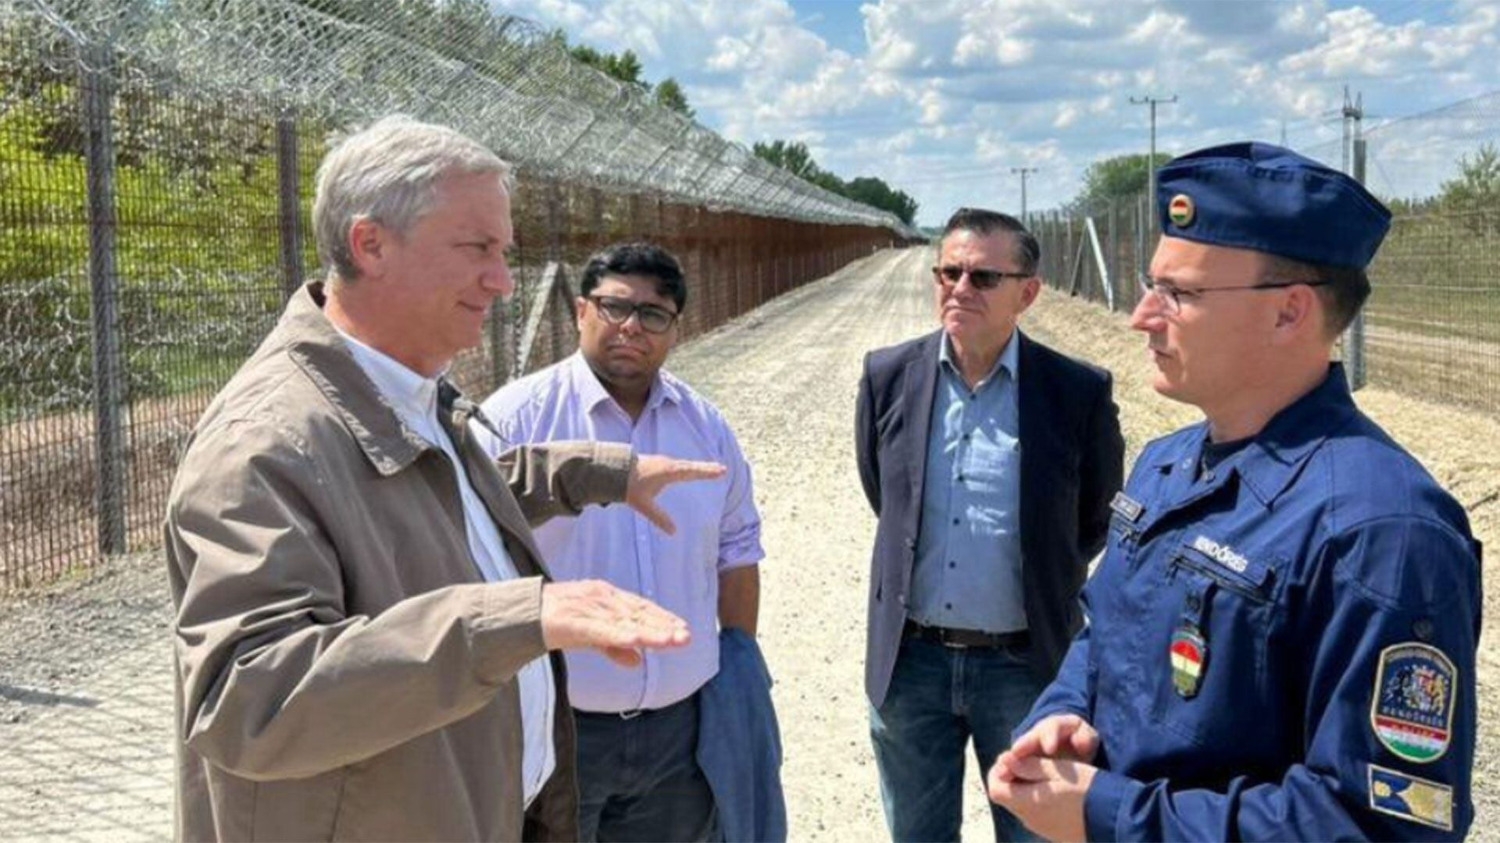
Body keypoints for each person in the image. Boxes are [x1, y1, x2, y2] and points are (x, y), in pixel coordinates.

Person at [163, 115, 725, 842]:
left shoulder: (400, 391)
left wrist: (600, 473)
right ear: (371, 245)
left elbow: (438, 496)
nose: (501, 280)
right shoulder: (266, 442)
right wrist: (517, 620)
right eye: (477, 248)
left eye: (504, 251)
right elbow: (249, 696)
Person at [989, 142, 1482, 841]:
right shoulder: (1167, 464)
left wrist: (1109, 813)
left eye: (1179, 293)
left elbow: (1378, 826)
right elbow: (1107, 635)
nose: (1141, 316)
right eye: (1150, 283)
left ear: (1288, 312)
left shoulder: (1383, 531)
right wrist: (1067, 714)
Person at [476, 242, 766, 842]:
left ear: (674, 329)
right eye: (614, 308)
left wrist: (734, 672)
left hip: (679, 736)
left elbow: (736, 550)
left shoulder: (705, 427)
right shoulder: (515, 420)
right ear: (581, 311)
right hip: (558, 732)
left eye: (653, 314)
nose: (632, 326)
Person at [855, 207, 1125, 841]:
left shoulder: (1075, 392)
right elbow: (886, 496)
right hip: (910, 664)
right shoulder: (889, 376)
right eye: (948, 272)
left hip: (1025, 669)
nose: (959, 288)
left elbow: (1093, 519)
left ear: (1026, 293)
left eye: (982, 278)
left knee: (1035, 830)